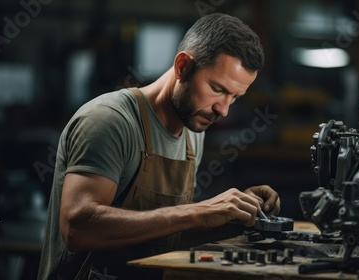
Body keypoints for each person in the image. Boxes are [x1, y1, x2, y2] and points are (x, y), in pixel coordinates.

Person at [38, 13, 280, 280]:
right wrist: (200, 211)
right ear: (183, 66)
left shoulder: (192, 131)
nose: (222, 110)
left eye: (235, 97)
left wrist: (231, 212)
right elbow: (77, 229)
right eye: (217, 88)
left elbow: (164, 224)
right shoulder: (110, 121)